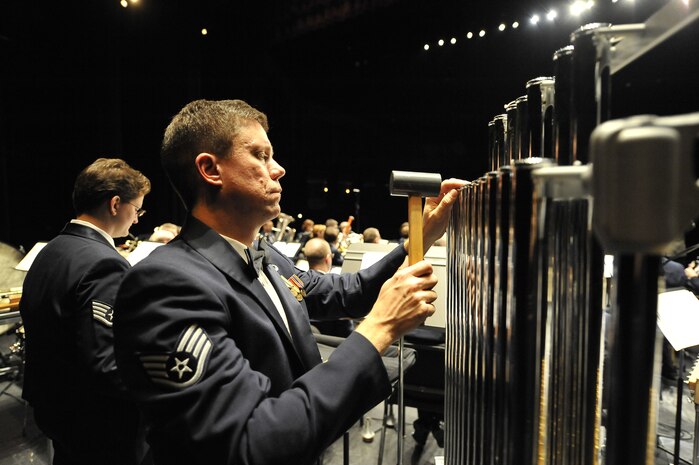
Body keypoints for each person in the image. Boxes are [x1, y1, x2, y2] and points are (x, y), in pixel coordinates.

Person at [113, 99, 464, 465]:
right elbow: (249, 444)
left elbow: (349, 292)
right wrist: (381, 328)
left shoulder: (258, 252)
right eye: (261, 156)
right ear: (210, 169)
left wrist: (421, 237)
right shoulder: (165, 284)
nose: (278, 169)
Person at [20, 158, 151, 465]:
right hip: (95, 418)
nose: (136, 221)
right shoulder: (103, 262)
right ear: (116, 204)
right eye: (137, 209)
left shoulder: (52, 249)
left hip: (53, 403)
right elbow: (105, 363)